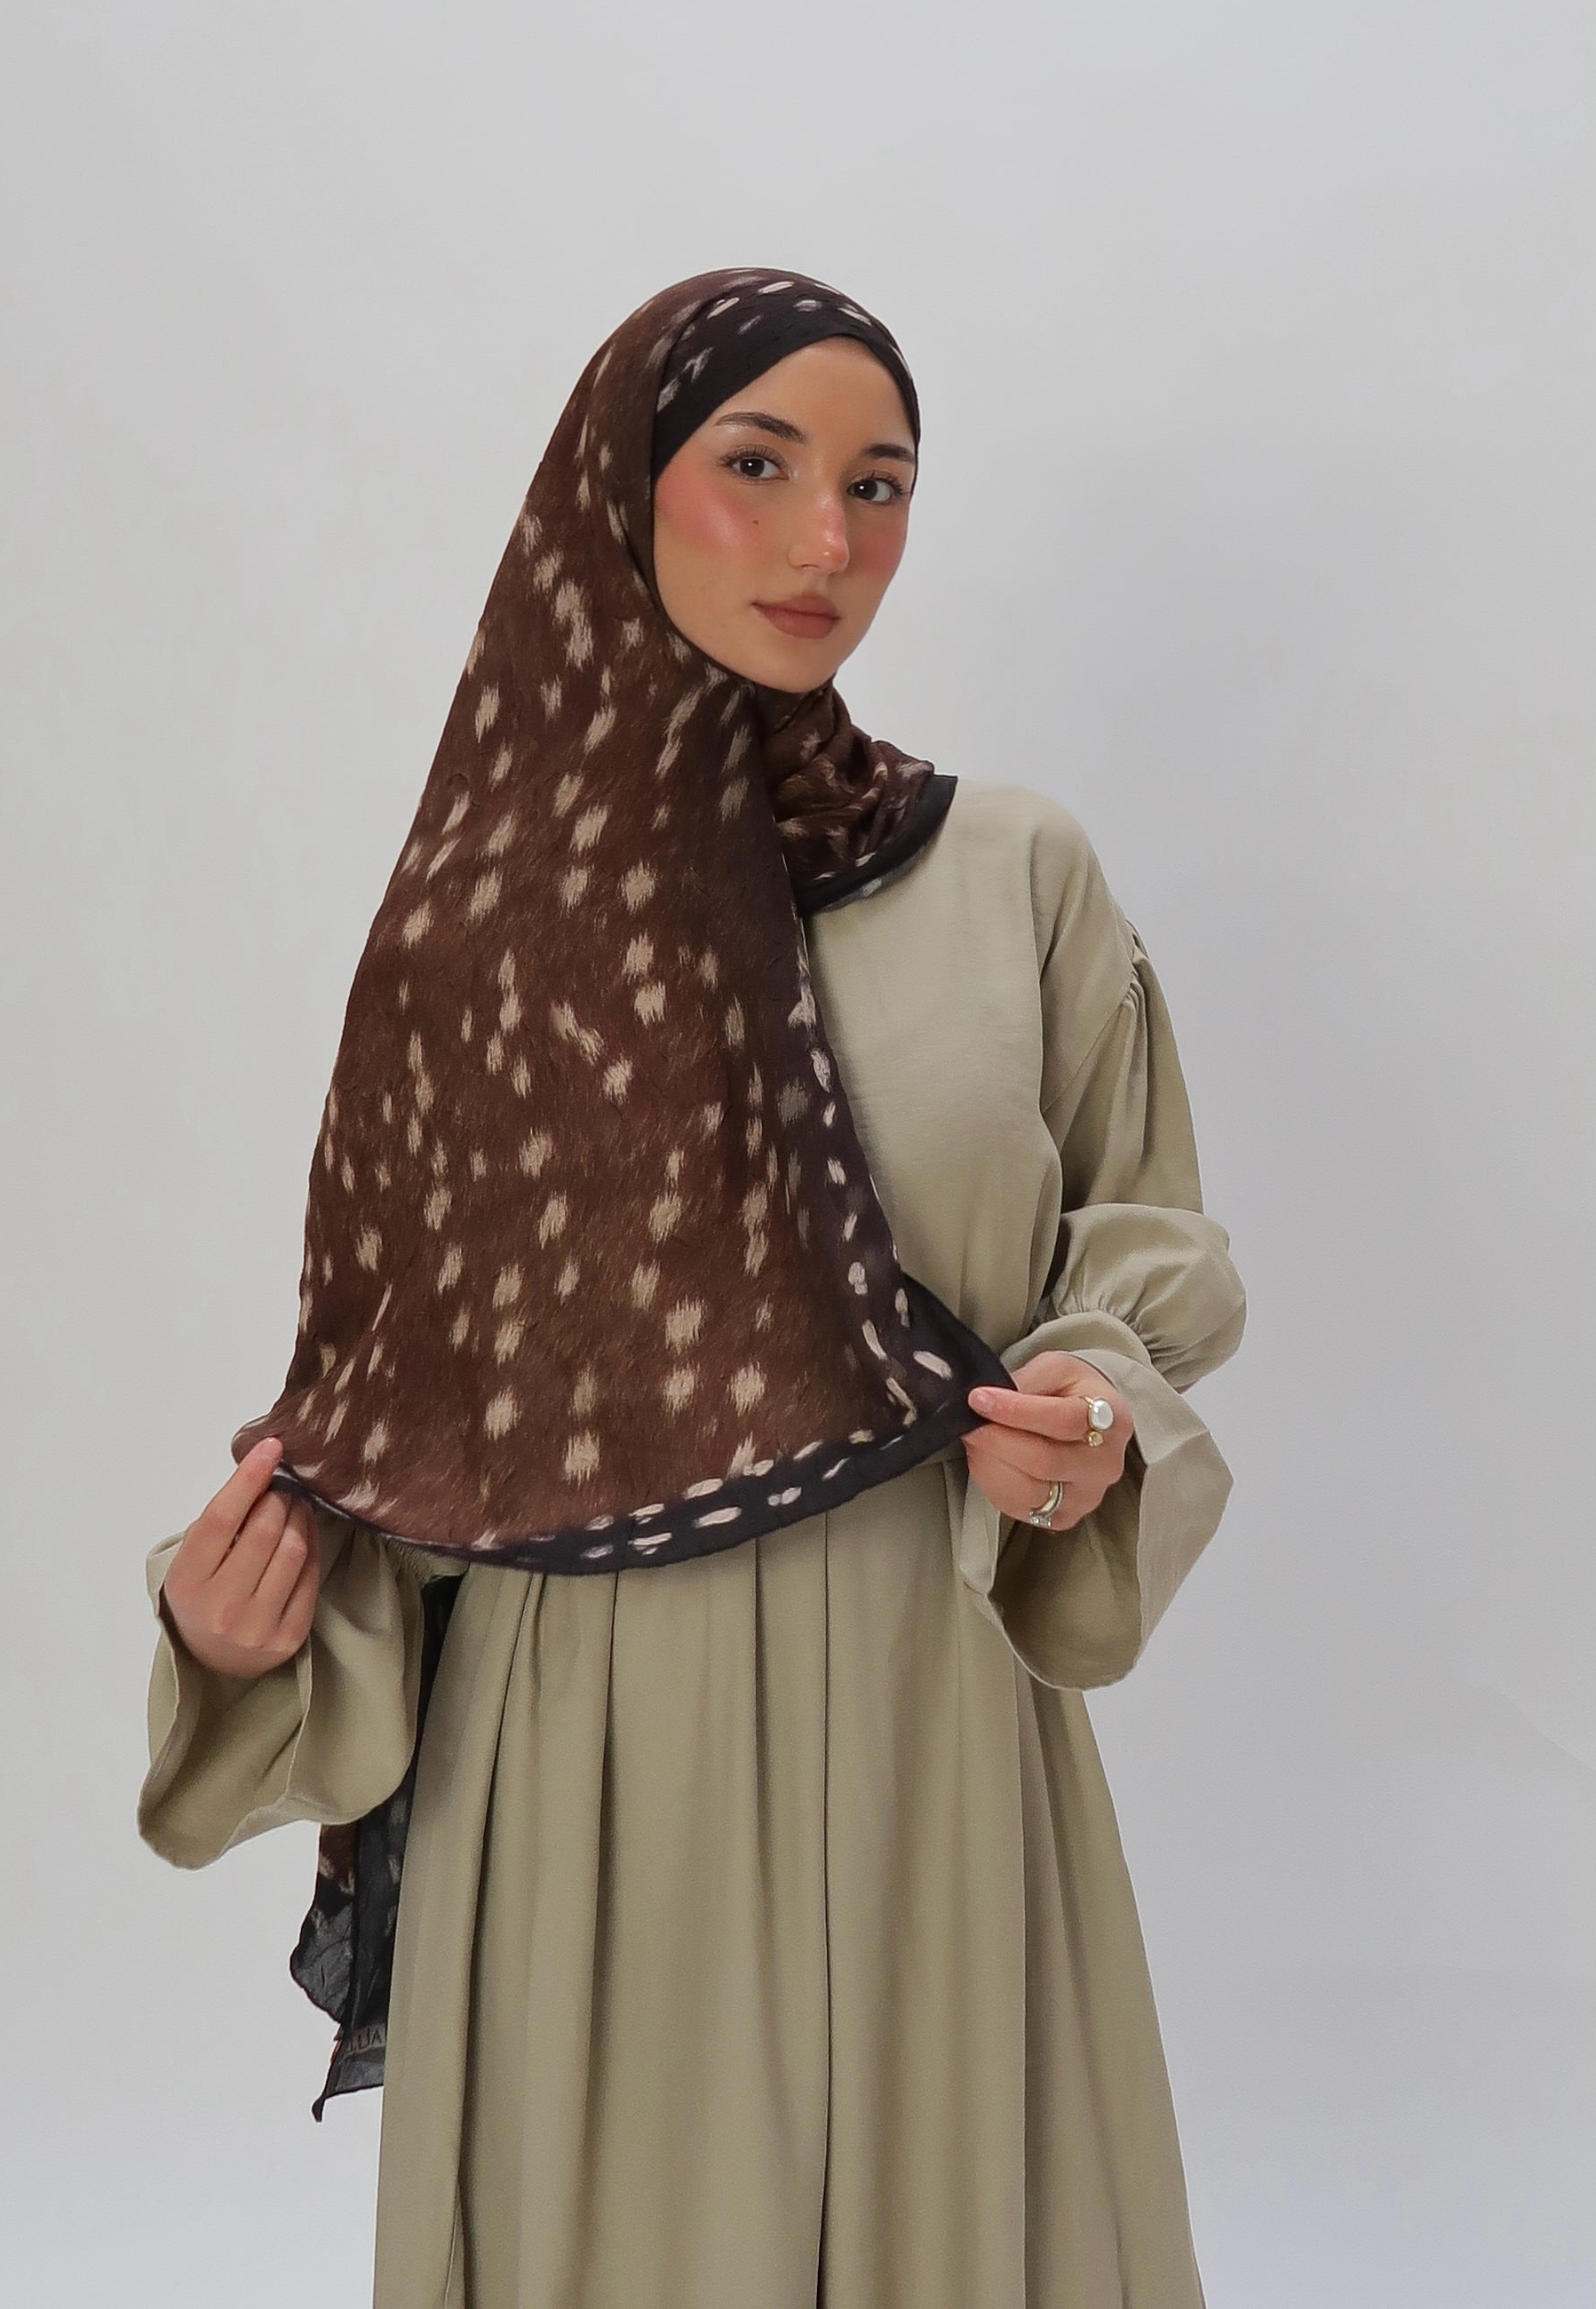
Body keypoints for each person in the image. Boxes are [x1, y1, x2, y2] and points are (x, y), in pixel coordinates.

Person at [137, 266, 1248, 2309]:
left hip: (932, 1722)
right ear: (616, 490)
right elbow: (414, 1442)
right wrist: (233, 1639)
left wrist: (1093, 1412)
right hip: (589, 1774)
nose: (827, 540)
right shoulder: (478, 944)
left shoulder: (1011, 873)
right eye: (759, 464)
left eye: (878, 483)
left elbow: (1143, 1243)